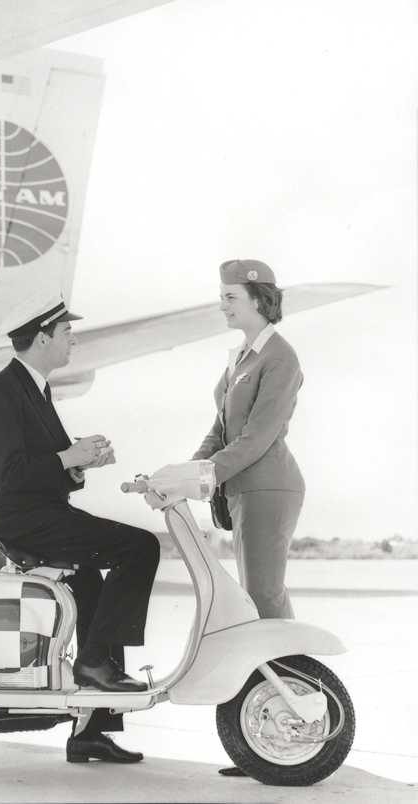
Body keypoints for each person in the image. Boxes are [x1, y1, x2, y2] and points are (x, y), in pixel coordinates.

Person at [0, 293, 160, 765]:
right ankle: (95, 666)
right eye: (65, 332)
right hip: (25, 521)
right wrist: (67, 458)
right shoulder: (1, 390)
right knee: (139, 547)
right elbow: (7, 476)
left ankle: (91, 731)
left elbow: (45, 469)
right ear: (41, 338)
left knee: (97, 590)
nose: (73, 339)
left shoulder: (34, 389)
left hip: (44, 514)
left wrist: (81, 464)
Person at [190, 259, 305, 777]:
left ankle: (290, 714)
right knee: (257, 602)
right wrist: (189, 470)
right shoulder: (241, 355)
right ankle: (270, 715)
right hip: (243, 488)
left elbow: (257, 437)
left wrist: (207, 473)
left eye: (230, 297)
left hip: (268, 486)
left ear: (259, 299)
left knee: (263, 599)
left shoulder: (279, 357)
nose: (222, 304)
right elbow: (220, 427)